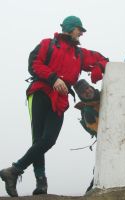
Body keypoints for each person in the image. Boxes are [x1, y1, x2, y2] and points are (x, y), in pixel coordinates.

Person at [0, 16, 108, 197]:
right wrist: (53, 78)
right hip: (40, 92)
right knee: (38, 138)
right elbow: (33, 64)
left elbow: (103, 59)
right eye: (79, 29)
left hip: (60, 100)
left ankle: (14, 170)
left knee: (48, 139)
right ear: (69, 28)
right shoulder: (47, 44)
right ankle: (41, 183)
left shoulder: (79, 54)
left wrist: (97, 69)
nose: (81, 33)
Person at [73, 79, 100, 192]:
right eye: (84, 92)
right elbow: (100, 130)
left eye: (88, 88)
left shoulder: (106, 93)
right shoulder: (87, 112)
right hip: (107, 140)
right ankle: (92, 189)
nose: (88, 91)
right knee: (101, 166)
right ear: (81, 96)